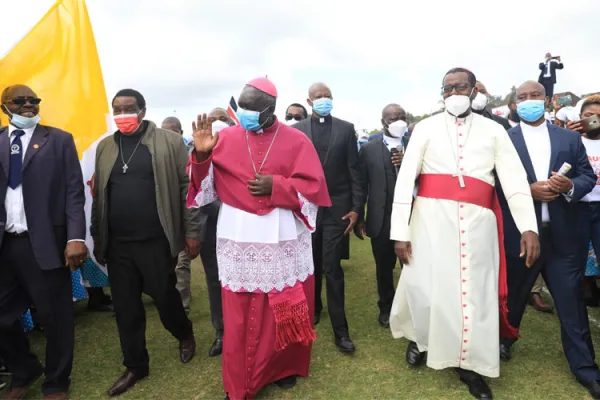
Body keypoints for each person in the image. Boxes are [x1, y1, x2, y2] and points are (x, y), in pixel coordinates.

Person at [389, 68, 540, 400]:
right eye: (448, 87)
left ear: (474, 91)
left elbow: (514, 181)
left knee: (474, 292)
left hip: (477, 223)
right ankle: (422, 339)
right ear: (441, 93)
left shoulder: (494, 131)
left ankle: (470, 366)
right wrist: (400, 232)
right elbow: (405, 181)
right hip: (430, 219)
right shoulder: (426, 127)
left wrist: (529, 226)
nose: (455, 92)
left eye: (462, 86)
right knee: (426, 284)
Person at [187, 77, 330, 400]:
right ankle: (240, 380)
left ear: (270, 110)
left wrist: (276, 187)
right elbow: (202, 189)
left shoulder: (296, 141)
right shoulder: (224, 138)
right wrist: (201, 155)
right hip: (239, 232)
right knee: (240, 309)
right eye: (243, 107)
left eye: (253, 108)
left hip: (282, 231)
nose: (246, 113)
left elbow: (314, 189)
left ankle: (283, 367)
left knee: (285, 301)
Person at [91, 89, 201, 397]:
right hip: (118, 245)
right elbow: (100, 195)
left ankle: (184, 332)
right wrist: (98, 238)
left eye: (129, 108)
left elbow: (186, 189)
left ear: (142, 109)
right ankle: (136, 366)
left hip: (155, 240)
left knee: (166, 298)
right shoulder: (105, 147)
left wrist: (192, 233)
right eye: (118, 109)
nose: (123, 113)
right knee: (126, 309)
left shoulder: (169, 142)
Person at [498, 81, 600, 399]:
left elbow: (587, 175)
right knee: (513, 295)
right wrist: (527, 190)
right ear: (515, 104)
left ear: (546, 101)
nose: (529, 101)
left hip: (564, 236)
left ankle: (585, 368)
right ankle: (503, 342)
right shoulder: (503, 140)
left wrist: (569, 185)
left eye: (535, 96)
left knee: (570, 301)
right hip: (520, 235)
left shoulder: (569, 137)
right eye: (522, 97)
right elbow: (492, 182)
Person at [0, 84, 88, 400]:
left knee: (56, 318)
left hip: (47, 243)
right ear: (4, 106)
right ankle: (23, 369)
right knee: (4, 317)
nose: (28, 104)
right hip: (5, 246)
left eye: (33, 100)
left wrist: (76, 236)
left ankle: (56, 382)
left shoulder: (59, 140)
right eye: (19, 100)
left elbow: (74, 192)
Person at [293, 82, 363, 353]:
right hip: (307, 211)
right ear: (309, 102)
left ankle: (341, 331)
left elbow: (354, 170)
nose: (323, 100)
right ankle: (313, 310)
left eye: (327, 96)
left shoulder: (345, 129)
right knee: (310, 267)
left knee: (333, 269)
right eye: (318, 97)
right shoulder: (297, 131)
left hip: (337, 210)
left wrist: (357, 208)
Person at [356, 103, 405, 328]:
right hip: (381, 218)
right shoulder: (368, 149)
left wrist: (407, 165)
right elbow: (361, 185)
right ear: (383, 122)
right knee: (384, 268)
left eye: (401, 117)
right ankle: (386, 307)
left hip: (411, 216)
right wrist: (360, 216)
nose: (398, 121)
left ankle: (411, 306)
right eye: (392, 118)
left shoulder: (414, 144)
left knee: (411, 266)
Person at [568, 95, 600, 306]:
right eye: (589, 115)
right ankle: (579, 291)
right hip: (576, 207)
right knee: (575, 256)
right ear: (579, 117)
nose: (594, 119)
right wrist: (565, 137)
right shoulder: (569, 140)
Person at [161, 116, 194, 314]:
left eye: (173, 131)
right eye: (165, 131)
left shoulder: (191, 156)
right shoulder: (155, 155)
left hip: (184, 218)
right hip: (163, 221)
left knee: (182, 263)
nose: (169, 135)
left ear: (181, 133)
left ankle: (182, 304)